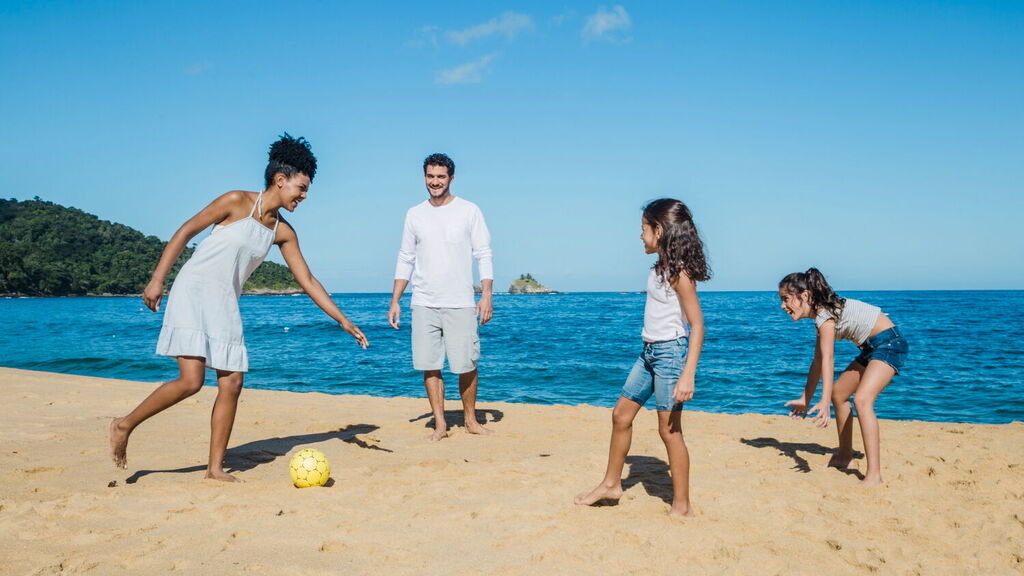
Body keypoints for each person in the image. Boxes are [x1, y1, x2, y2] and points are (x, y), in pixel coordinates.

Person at [109, 134, 368, 481]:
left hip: (225, 302)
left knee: (232, 383)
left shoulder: (283, 232)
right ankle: (124, 425)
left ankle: (214, 469)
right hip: (193, 290)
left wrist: (343, 320)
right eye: (301, 188)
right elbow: (186, 231)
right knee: (191, 381)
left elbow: (307, 279)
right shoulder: (235, 201)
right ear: (280, 180)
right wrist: (158, 279)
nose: (304, 196)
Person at [575, 198, 708, 517]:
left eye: (643, 229)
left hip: (670, 355)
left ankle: (682, 506)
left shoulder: (680, 274)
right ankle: (611, 484)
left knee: (669, 430)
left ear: (658, 231)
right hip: (648, 352)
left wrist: (687, 374)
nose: (640, 236)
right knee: (621, 415)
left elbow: (698, 325)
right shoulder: (659, 268)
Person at [388, 153, 494, 441]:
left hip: (460, 301)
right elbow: (405, 257)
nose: (435, 182)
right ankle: (440, 424)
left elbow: (483, 254)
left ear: (451, 178)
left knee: (466, 364)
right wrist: (395, 299)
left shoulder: (469, 211)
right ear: (424, 177)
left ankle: (471, 421)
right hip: (423, 301)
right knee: (429, 364)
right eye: (430, 176)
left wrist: (486, 295)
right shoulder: (414, 214)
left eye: (441, 177)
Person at [778, 268, 909, 486]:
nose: (783, 306)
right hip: (871, 347)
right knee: (839, 394)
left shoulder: (825, 317)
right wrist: (805, 398)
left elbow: (829, 359)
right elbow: (818, 362)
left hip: (890, 344)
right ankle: (844, 457)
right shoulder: (822, 317)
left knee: (862, 400)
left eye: (786, 299)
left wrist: (822, 400)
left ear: (805, 296)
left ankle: (874, 475)